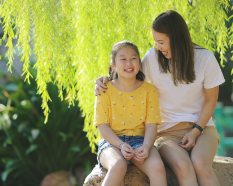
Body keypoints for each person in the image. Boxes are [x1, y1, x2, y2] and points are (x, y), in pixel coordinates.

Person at [94, 10, 225, 186]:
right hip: (167, 132)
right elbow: (128, 80)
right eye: (156, 41)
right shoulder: (153, 59)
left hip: (202, 130)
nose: (157, 46)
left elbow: (211, 100)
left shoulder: (206, 58)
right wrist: (105, 80)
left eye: (161, 42)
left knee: (201, 164)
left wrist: (195, 132)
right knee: (182, 165)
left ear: (176, 38)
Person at [94, 40, 167, 186]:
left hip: (140, 142)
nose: (129, 63)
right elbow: (103, 127)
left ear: (139, 63)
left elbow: (151, 125)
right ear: (113, 65)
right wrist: (120, 145)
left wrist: (146, 146)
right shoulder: (104, 90)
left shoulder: (149, 90)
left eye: (134, 59)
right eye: (123, 59)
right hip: (111, 143)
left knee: (158, 168)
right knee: (118, 165)